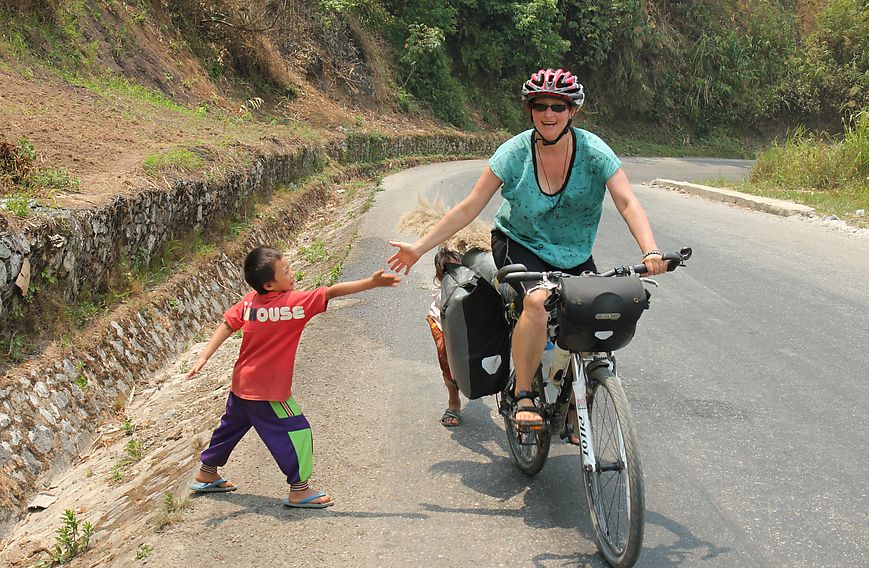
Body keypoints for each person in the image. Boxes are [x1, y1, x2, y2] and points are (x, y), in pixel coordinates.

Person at [387, 68, 667, 434]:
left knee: (590, 313)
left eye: (558, 107)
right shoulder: (514, 153)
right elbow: (470, 207)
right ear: (530, 109)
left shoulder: (594, 152)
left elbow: (627, 202)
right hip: (519, 244)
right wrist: (419, 247)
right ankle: (523, 396)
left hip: (574, 253)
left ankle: (570, 395)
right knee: (536, 301)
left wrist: (650, 251)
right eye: (540, 106)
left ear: (573, 112)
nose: (548, 114)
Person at [185, 246, 400, 508]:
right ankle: (299, 490)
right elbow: (331, 291)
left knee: (230, 428)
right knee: (298, 431)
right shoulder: (294, 304)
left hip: (242, 384)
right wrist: (371, 283)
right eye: (286, 271)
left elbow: (228, 324)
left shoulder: (250, 302)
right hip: (268, 391)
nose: (292, 273)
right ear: (269, 284)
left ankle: (207, 472)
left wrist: (203, 357)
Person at [427, 247, 464, 427]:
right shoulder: (440, 289)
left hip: (466, 325)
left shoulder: (472, 281)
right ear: (440, 274)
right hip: (442, 324)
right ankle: (453, 403)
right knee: (447, 362)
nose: (454, 274)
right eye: (448, 270)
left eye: (458, 269)